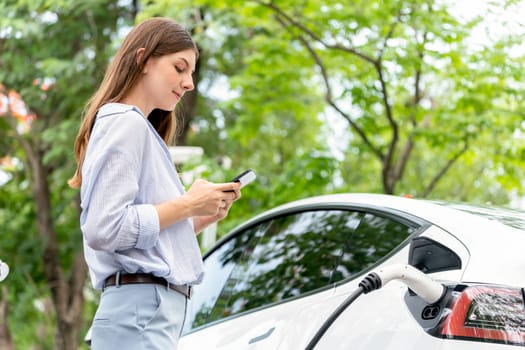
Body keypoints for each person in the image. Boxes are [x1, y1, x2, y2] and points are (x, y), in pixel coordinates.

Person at [68, 17, 241, 349]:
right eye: (179, 68)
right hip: (139, 313)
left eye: (191, 72)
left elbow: (135, 238)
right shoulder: (124, 122)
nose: (189, 82)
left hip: (146, 314)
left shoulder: (136, 128)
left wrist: (197, 217)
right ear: (144, 60)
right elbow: (104, 227)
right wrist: (187, 203)